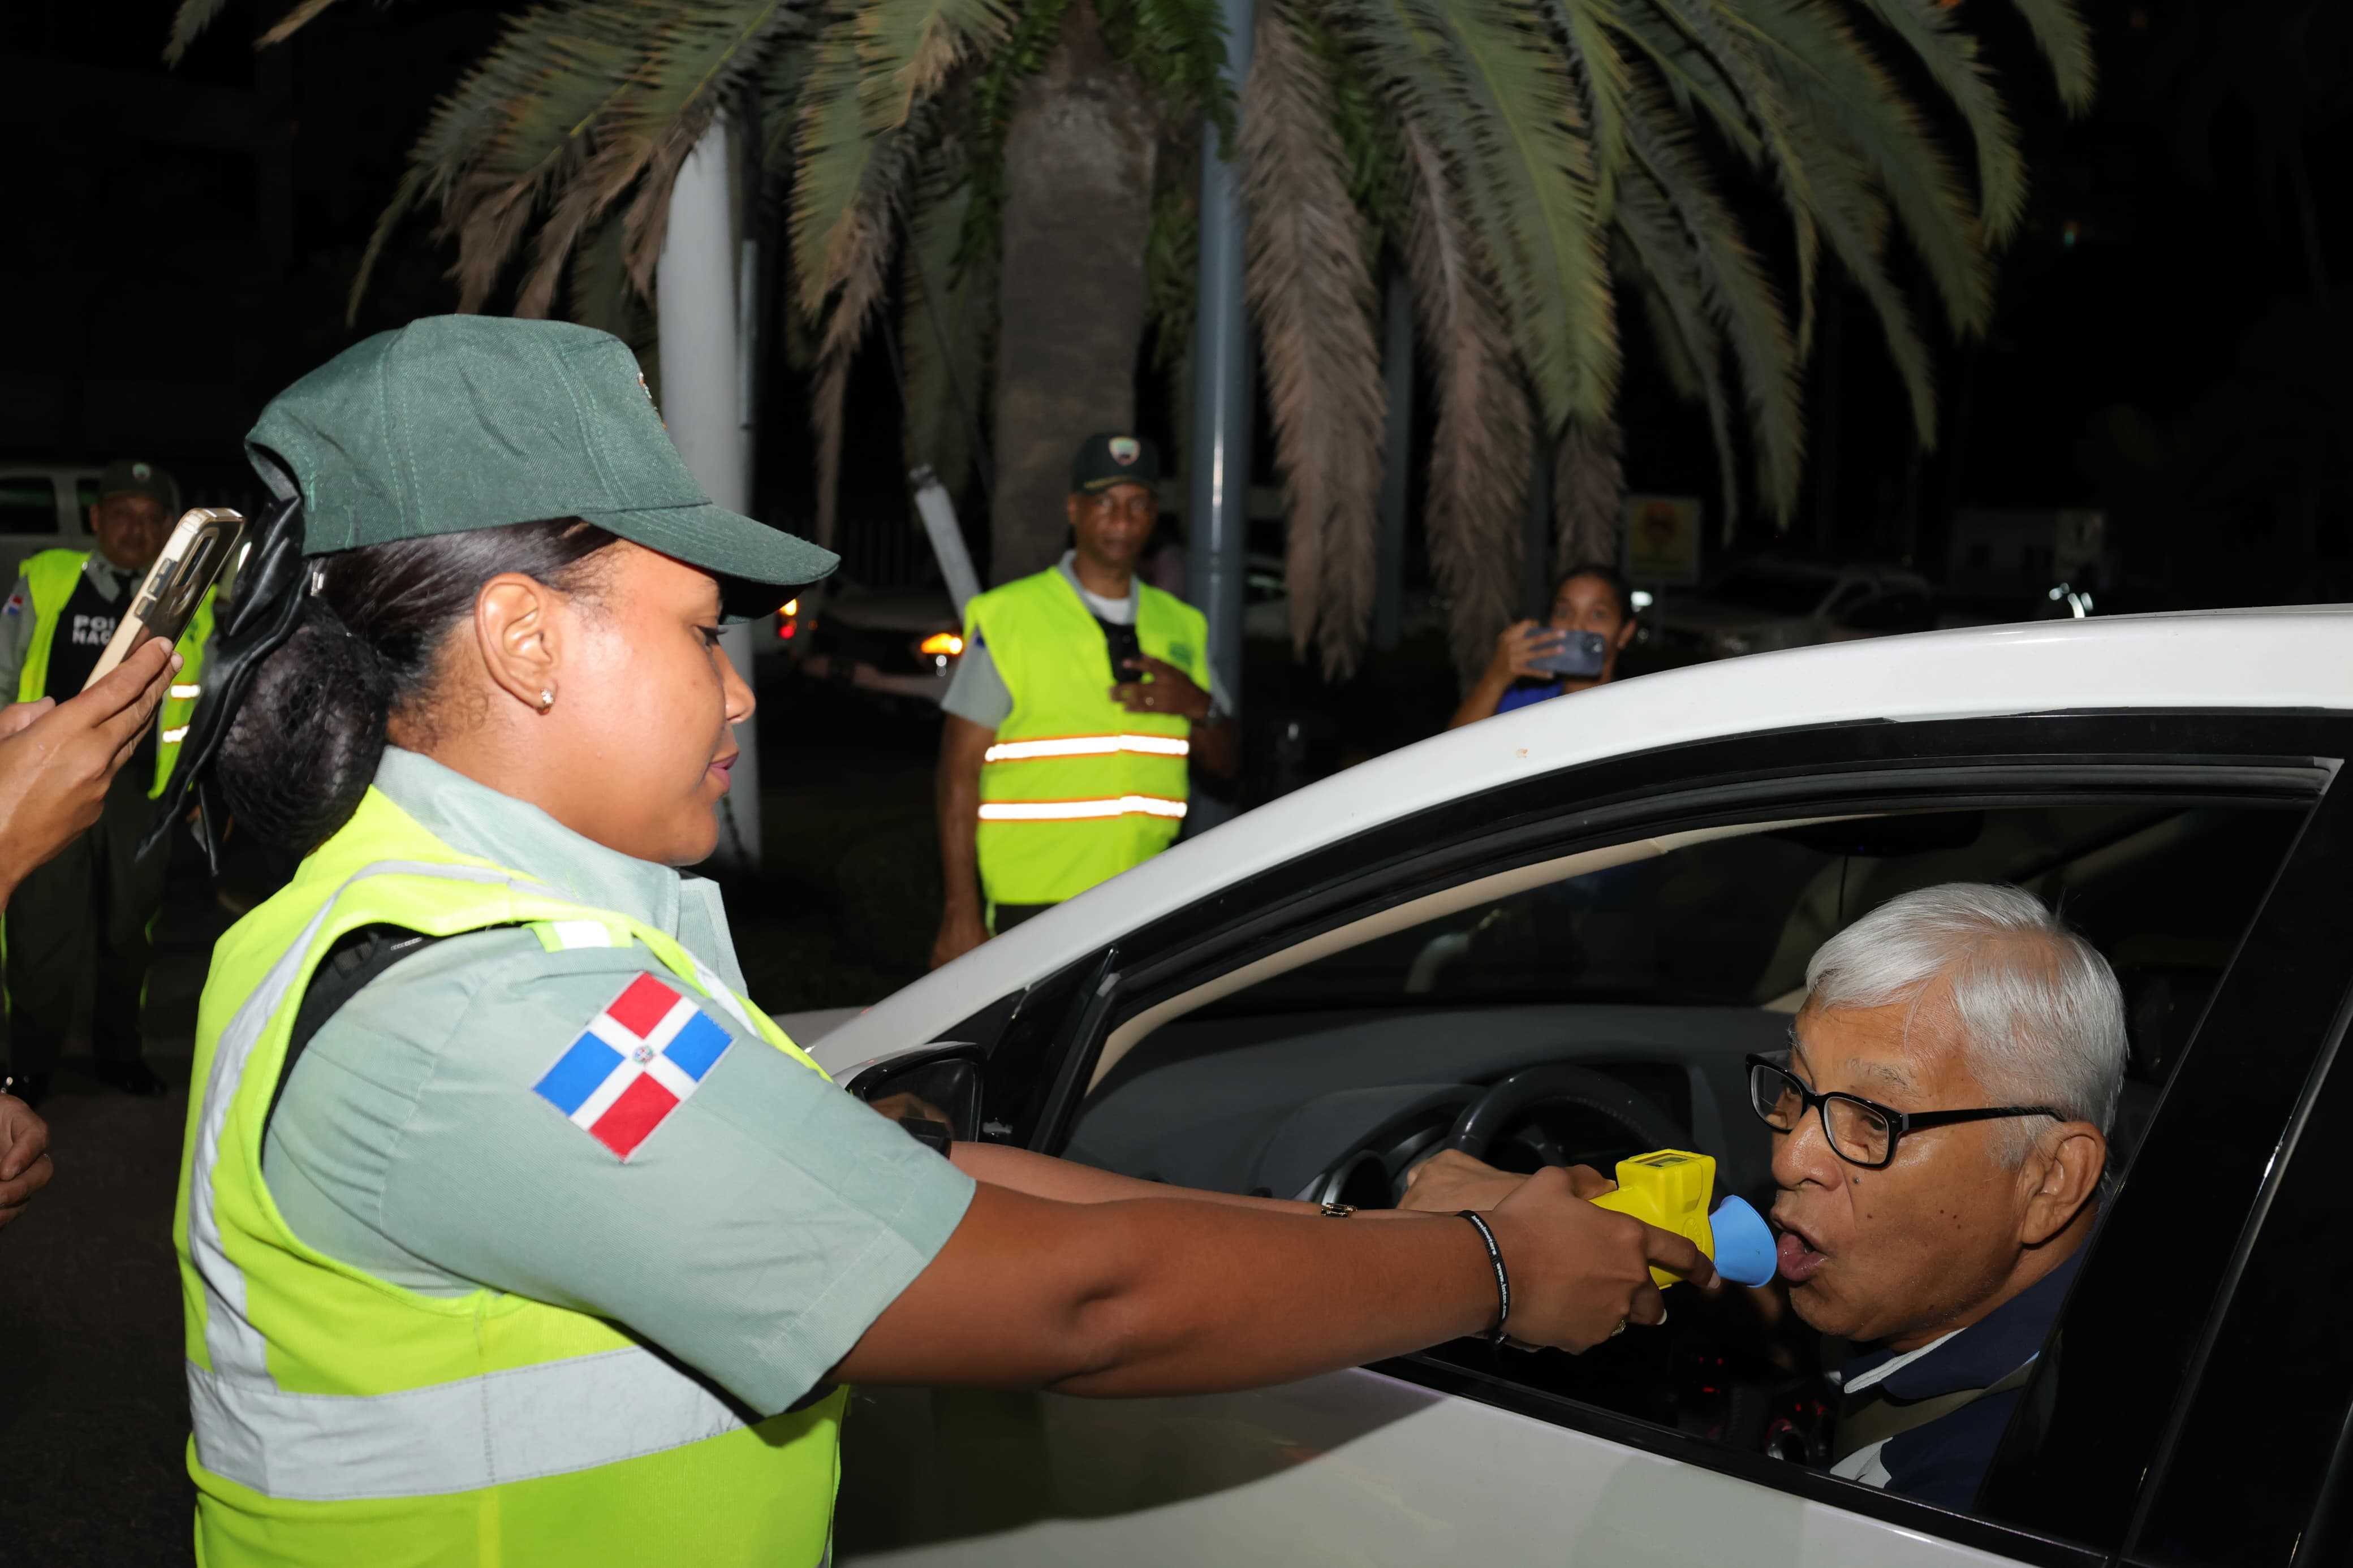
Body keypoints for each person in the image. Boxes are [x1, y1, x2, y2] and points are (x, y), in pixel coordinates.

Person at [169, 317, 1712, 1567]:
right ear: (521, 636)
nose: (742, 689)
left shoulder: (485, 938)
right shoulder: (489, 1013)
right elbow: (1075, 1303)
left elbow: (897, 1185)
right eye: (702, 628)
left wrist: (1374, 1238)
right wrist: (1491, 1267)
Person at [1409, 882, 2118, 1509]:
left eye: (1873, 1120)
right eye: (1796, 1089)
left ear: (2050, 1180)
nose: (1789, 1155)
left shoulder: (1975, 1495)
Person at [930, 433, 1237, 967]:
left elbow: (1228, 766)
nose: (1122, 520)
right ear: (1074, 510)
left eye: (1138, 504)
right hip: (1035, 903)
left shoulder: (1181, 624)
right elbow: (957, 774)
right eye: (1105, 503)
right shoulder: (1010, 618)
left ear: (1154, 516)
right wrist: (962, 911)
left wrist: (1198, 705)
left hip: (1147, 898)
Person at [0, 459, 215, 1105]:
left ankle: (121, 1053)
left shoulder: (188, 606)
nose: (137, 529)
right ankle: (29, 1066)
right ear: (96, 519)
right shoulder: (48, 578)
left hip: (140, 793)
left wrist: (197, 791)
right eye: (122, 513)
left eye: (153, 519)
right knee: (41, 928)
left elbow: (201, 700)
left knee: (131, 930)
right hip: (51, 782)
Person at [1448, 562, 1638, 729]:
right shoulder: (1524, 704)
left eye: (1598, 614)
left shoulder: (1635, 711)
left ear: (1625, 633)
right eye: (1564, 612)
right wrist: (1495, 679)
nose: (1576, 625)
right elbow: (1451, 758)